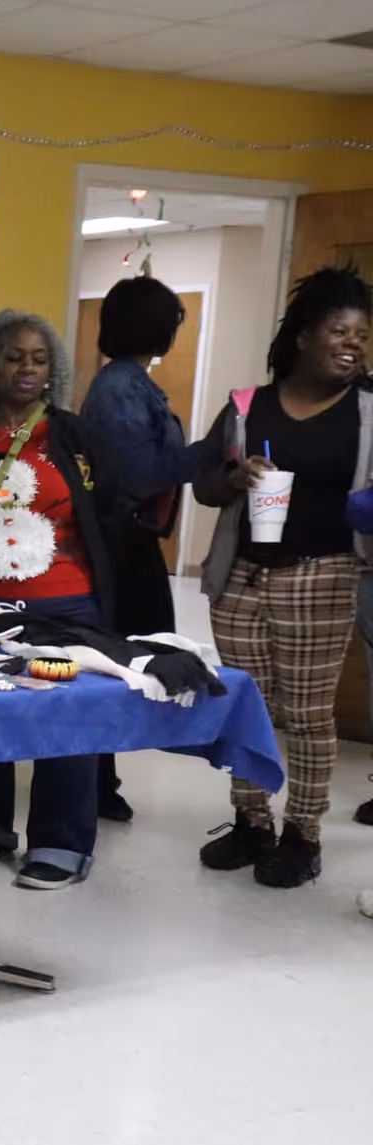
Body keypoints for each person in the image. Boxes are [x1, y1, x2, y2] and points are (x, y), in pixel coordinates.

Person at [0, 310, 124, 889]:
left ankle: (61, 844)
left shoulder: (75, 436)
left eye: (39, 360)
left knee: (66, 716)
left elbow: (111, 506)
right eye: (14, 357)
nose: (27, 369)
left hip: (69, 602)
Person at [196, 267, 372, 889]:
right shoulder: (247, 406)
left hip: (322, 576)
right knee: (246, 705)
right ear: (303, 335)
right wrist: (233, 478)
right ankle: (251, 822)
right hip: (240, 576)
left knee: (307, 713)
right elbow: (205, 484)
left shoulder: (369, 412)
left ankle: (303, 834)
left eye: (362, 335)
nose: (353, 344)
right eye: (339, 331)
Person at [78, 276, 200, 825]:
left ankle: (100, 779)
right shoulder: (122, 389)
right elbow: (141, 472)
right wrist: (213, 452)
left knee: (130, 656)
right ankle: (95, 782)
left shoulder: (131, 382)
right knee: (120, 662)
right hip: (119, 546)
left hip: (130, 542)